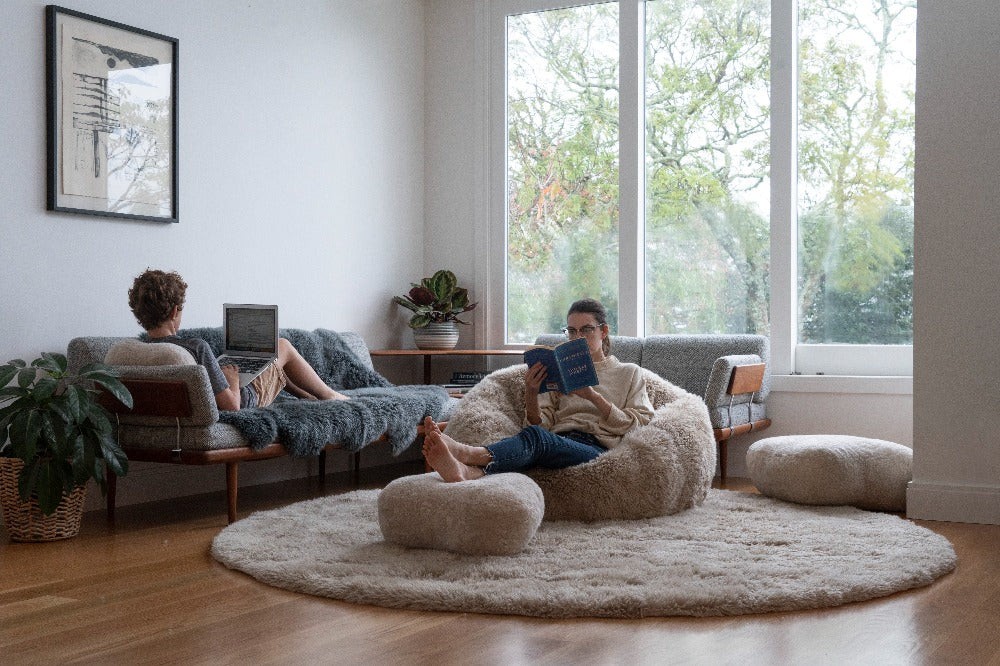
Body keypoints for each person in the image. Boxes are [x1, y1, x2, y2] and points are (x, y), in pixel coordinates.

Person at [422, 298, 654, 482]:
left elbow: (639, 425)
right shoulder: (561, 369)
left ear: (603, 331)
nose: (578, 337)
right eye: (571, 331)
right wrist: (531, 393)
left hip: (596, 448)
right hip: (556, 441)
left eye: (586, 330)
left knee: (538, 441)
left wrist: (592, 396)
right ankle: (467, 473)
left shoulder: (629, 372)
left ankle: (468, 454)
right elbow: (538, 426)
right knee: (536, 442)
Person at [127, 269, 348, 411]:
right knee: (282, 347)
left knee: (267, 362)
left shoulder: (141, 351)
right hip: (244, 397)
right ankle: (330, 395)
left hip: (223, 387)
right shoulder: (196, 347)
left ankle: (308, 396)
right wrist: (231, 378)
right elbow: (232, 406)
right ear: (175, 311)